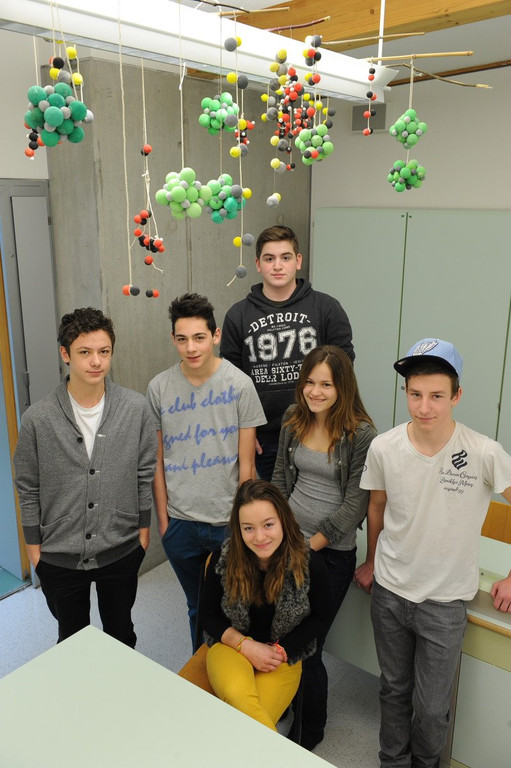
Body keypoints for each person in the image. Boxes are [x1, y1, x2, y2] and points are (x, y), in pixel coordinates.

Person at [354, 338, 511, 768]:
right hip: (390, 593)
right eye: (416, 394)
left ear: (457, 396)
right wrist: (371, 561)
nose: (424, 407)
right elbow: (377, 506)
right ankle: (392, 762)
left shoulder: (483, 452)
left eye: (437, 396)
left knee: (431, 708)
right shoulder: (384, 447)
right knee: (393, 689)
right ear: (406, 392)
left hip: (444, 603)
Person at [13, 307, 157, 647]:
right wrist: (34, 551)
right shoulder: (37, 419)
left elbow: (144, 472)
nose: (96, 361)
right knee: (72, 642)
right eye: (85, 352)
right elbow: (28, 487)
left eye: (104, 351)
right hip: (58, 553)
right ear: (65, 354)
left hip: (121, 547)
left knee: (121, 636)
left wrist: (143, 533)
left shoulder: (135, 408)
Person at [272, 345, 376, 750]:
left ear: (342, 387)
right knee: (279, 634)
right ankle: (284, 705)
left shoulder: (361, 434)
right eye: (310, 382)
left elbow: (355, 505)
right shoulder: (293, 418)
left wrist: (305, 547)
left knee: (307, 646)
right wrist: (277, 535)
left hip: (329, 555)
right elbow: (280, 479)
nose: (315, 392)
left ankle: (309, 733)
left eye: (326, 385)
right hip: (287, 544)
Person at [147, 293, 266, 646]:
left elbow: (247, 466)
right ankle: (202, 674)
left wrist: (244, 525)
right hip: (180, 525)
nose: (191, 347)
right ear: (173, 339)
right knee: (197, 608)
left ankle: (237, 675)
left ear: (215, 336)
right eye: (182, 339)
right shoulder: (159, 387)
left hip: (228, 522)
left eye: (199, 337)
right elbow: (156, 459)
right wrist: (165, 522)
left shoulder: (240, 385)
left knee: (237, 608)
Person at [220, 225, 355, 481]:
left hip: (319, 430)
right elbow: (229, 381)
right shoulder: (238, 316)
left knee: (316, 500)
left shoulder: (327, 308)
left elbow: (344, 370)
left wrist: (333, 424)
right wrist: (244, 431)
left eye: (285, 257)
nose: (278, 266)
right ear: (258, 264)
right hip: (263, 437)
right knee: (273, 503)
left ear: (298, 261)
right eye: (269, 258)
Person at [200, 479, 332, 732]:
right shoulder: (223, 559)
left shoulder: (309, 564)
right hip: (230, 646)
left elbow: (321, 617)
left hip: (280, 657)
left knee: (248, 726)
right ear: (238, 529)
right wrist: (246, 646)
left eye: (268, 525)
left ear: (283, 521)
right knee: (241, 703)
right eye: (248, 528)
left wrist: (283, 649)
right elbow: (208, 616)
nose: (259, 537)